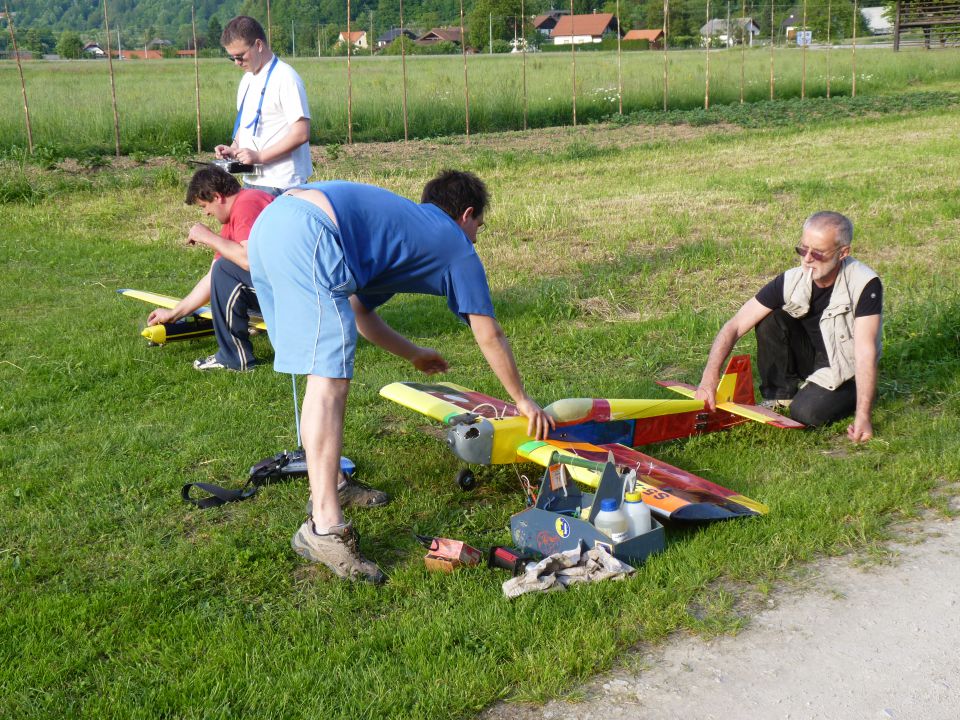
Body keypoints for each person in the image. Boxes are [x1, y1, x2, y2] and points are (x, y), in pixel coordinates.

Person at [247, 170, 556, 583]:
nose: (477, 238)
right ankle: (324, 528)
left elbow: (361, 313)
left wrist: (413, 354)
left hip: (272, 224)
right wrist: (522, 399)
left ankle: (332, 484)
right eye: (479, 227)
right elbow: (489, 332)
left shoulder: (401, 233)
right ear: (465, 215)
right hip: (309, 228)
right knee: (329, 380)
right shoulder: (455, 246)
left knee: (322, 373)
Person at [694, 211, 882, 443]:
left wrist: (863, 415)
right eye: (803, 249)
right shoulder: (792, 279)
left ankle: (852, 395)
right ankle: (780, 395)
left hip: (843, 368)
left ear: (843, 252)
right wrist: (709, 378)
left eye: (818, 253)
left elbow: (865, 352)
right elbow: (734, 325)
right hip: (811, 355)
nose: (807, 259)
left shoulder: (865, 284)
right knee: (770, 317)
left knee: (806, 414)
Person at [147, 166, 273, 371]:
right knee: (222, 269)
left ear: (217, 196)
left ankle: (234, 358)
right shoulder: (235, 215)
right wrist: (174, 314)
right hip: (283, 286)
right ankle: (233, 352)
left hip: (293, 291)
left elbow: (250, 261)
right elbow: (214, 278)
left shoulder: (247, 204)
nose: (206, 213)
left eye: (204, 205)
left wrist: (208, 237)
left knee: (225, 267)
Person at [217, 16, 312, 195]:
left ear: (258, 45)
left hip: (282, 183)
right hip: (251, 179)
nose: (237, 63)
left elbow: (301, 134)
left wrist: (259, 157)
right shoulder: (247, 79)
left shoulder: (286, 78)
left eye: (240, 56)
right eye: (232, 59)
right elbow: (246, 125)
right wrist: (234, 148)